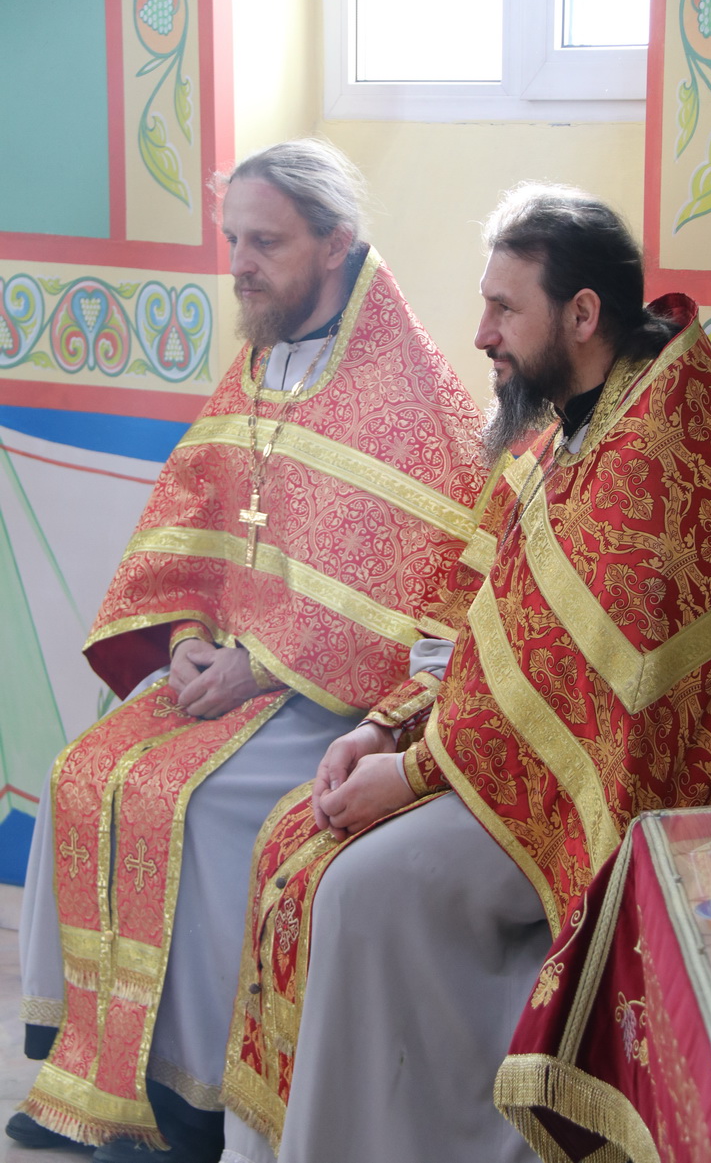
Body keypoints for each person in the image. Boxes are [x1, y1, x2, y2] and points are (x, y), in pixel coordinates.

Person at [220, 183, 711, 1163]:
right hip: (522, 761)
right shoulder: (572, 421)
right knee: (295, 839)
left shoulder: (656, 446)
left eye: (504, 307)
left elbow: (577, 692)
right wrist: (383, 726)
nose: (483, 332)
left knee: (363, 888)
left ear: (582, 314)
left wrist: (409, 773)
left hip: (619, 809)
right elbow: (483, 622)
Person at [7, 140, 489, 1163]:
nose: (240, 265)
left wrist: (265, 663)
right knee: (80, 772)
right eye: (233, 240)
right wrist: (186, 637)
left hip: (332, 702)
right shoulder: (262, 357)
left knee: (201, 804)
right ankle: (95, 1071)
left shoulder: (411, 390)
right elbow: (195, 516)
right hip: (225, 670)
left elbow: (417, 590)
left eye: (265, 242)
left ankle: (191, 1097)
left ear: (335, 243)